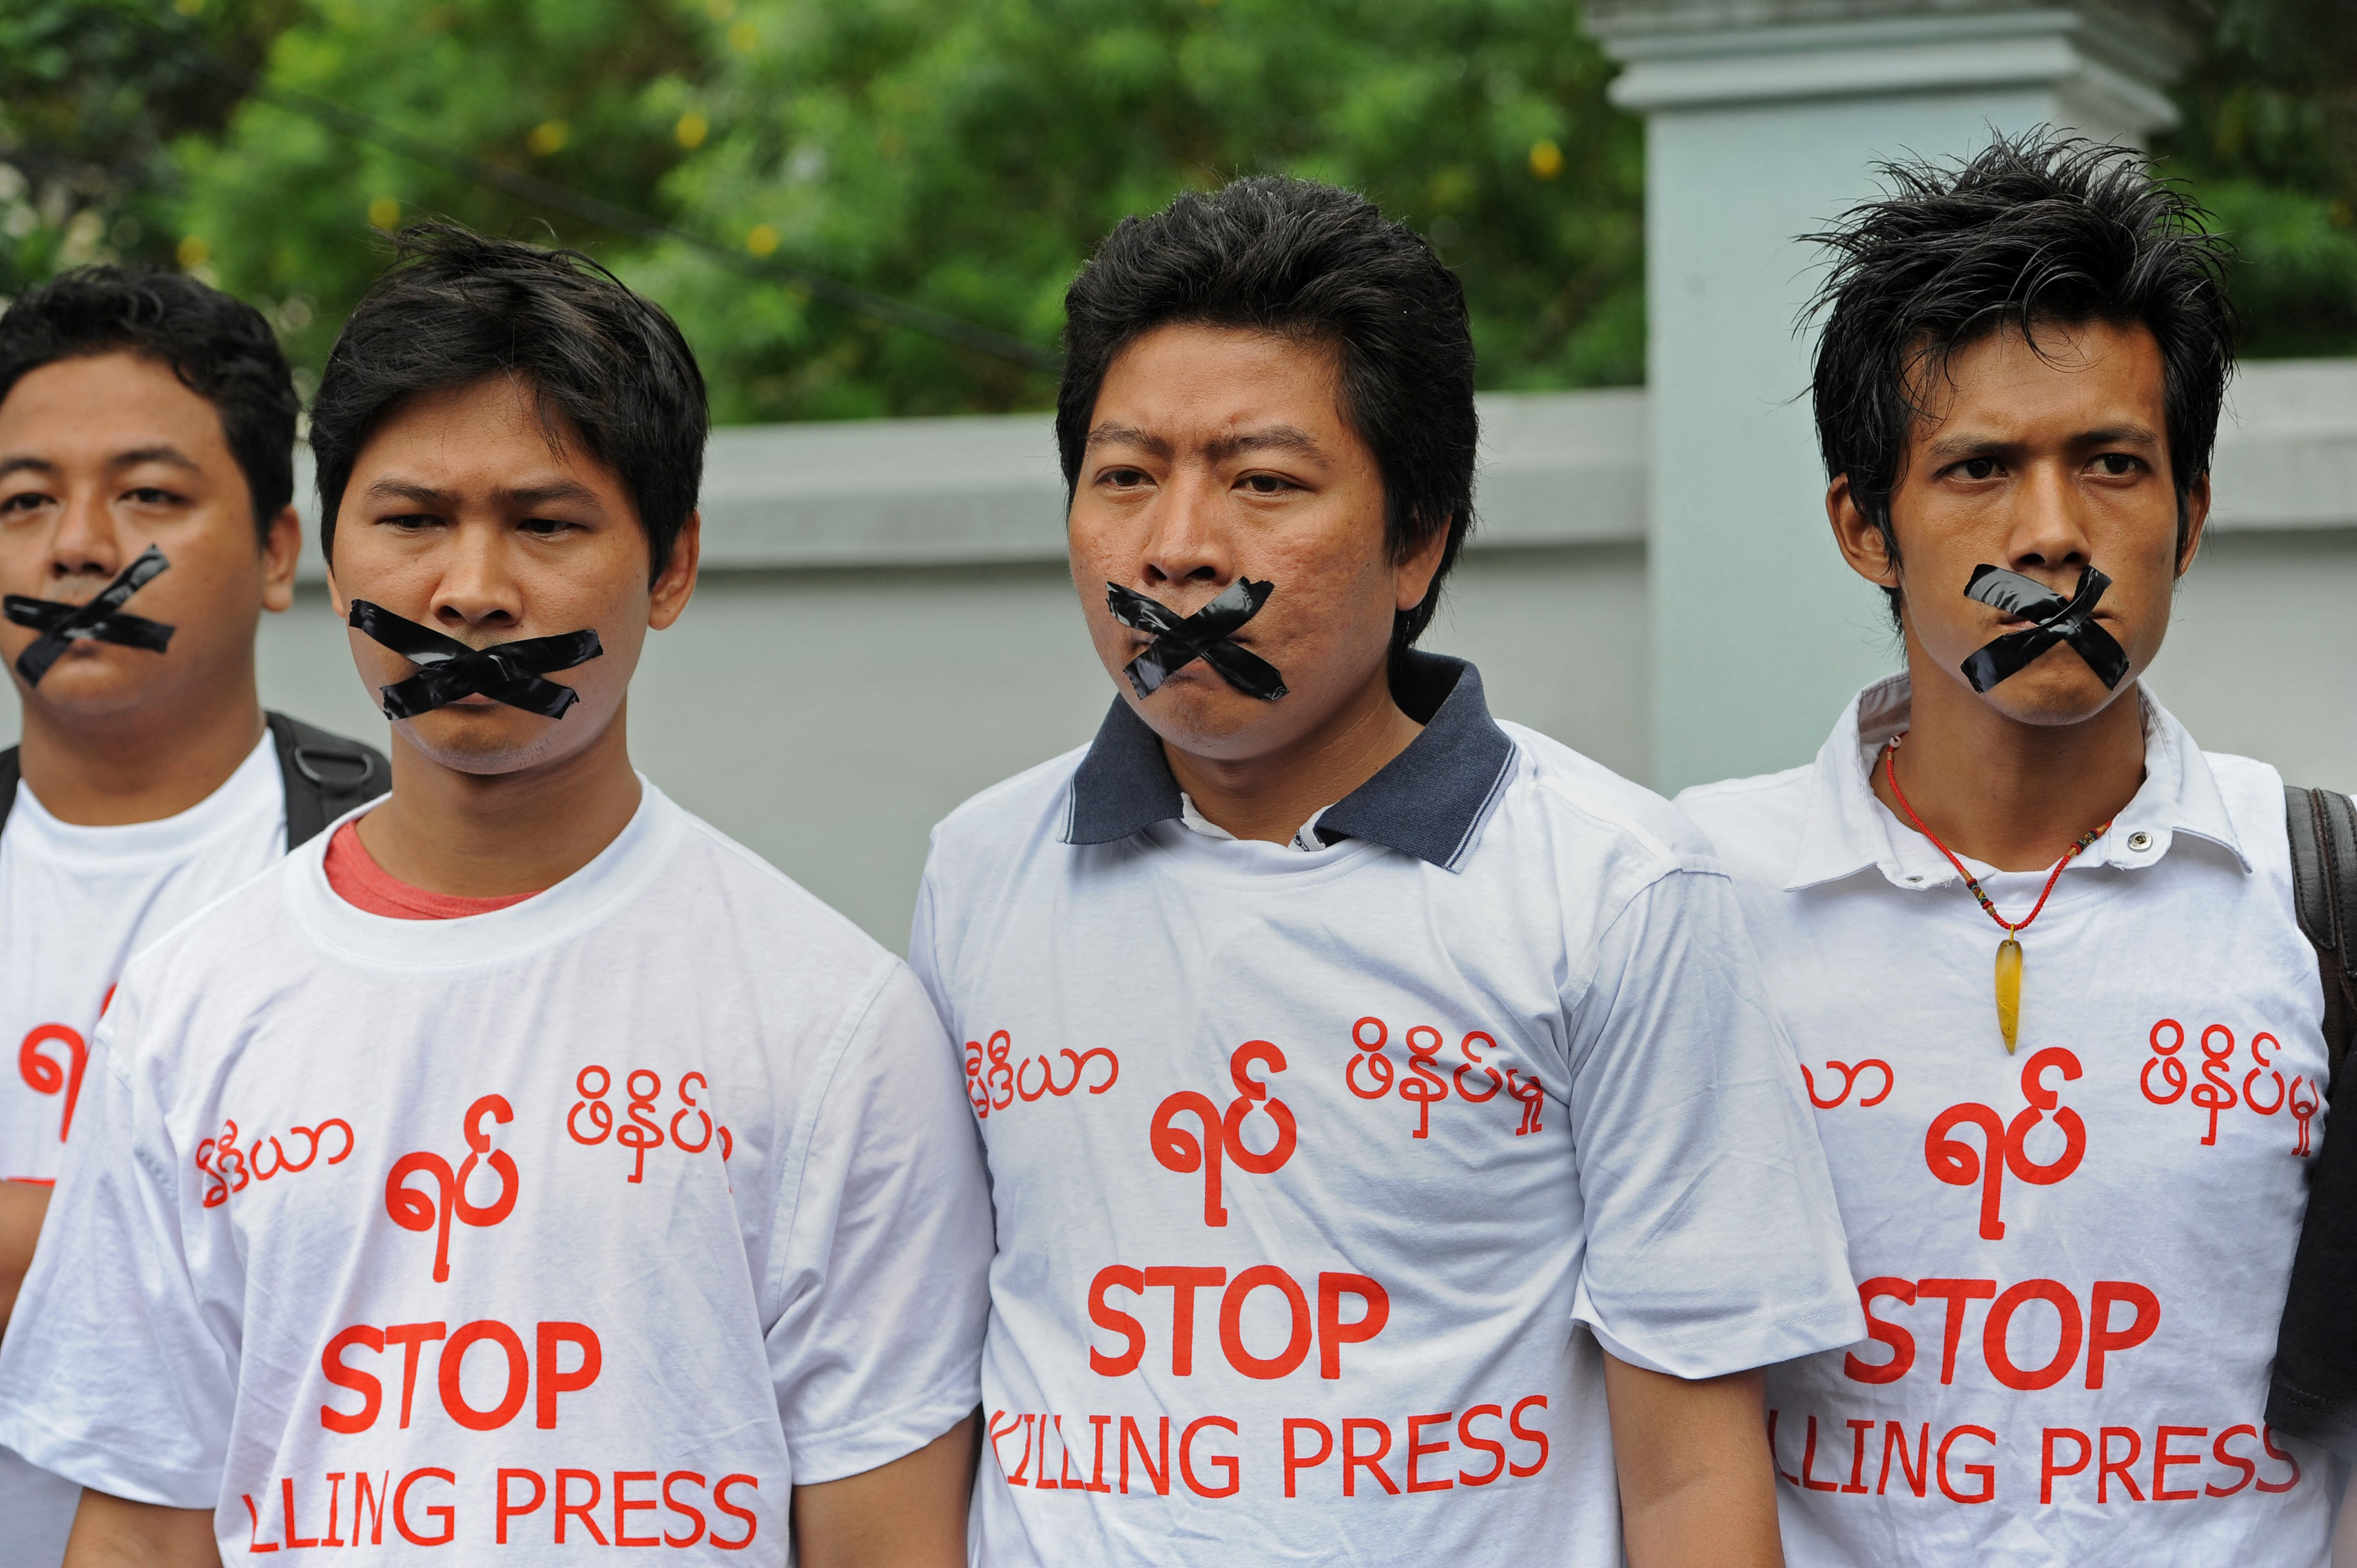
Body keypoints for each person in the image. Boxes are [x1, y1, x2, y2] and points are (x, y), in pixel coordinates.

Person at [0, 226, 991, 1566]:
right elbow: (140, 1527)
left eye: (545, 522)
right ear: (332, 562)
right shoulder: (187, 1007)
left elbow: (886, 1537)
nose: (470, 591)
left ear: (672, 566)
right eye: (411, 522)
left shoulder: (831, 1024)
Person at [910, 175, 1861, 1567]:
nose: (1177, 547)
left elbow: (1691, 1477)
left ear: (1417, 539)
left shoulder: (1611, 888)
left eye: (1263, 483)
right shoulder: (983, 869)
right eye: (1124, 477)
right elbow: (921, 1388)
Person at [1675, 133, 2332, 1562]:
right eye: (1978, 468)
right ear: (1865, 525)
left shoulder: (2317, 898)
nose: (2050, 535)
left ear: (2191, 514)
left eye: (2111, 463)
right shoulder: (1692, 900)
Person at [0, 266, 387, 1567]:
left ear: (282, 553)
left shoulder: (395, 852)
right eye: (25, 501)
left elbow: (393, 1272)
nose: (80, 548)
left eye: (149, 495)